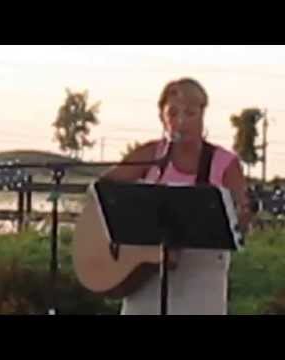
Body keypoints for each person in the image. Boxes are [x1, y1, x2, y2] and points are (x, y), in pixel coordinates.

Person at [101, 78, 252, 315]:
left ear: (203, 116)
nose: (181, 121)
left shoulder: (224, 163)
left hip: (201, 277)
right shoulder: (150, 154)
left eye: (190, 113)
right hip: (144, 276)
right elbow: (104, 192)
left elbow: (241, 221)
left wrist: (242, 218)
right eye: (173, 113)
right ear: (162, 117)